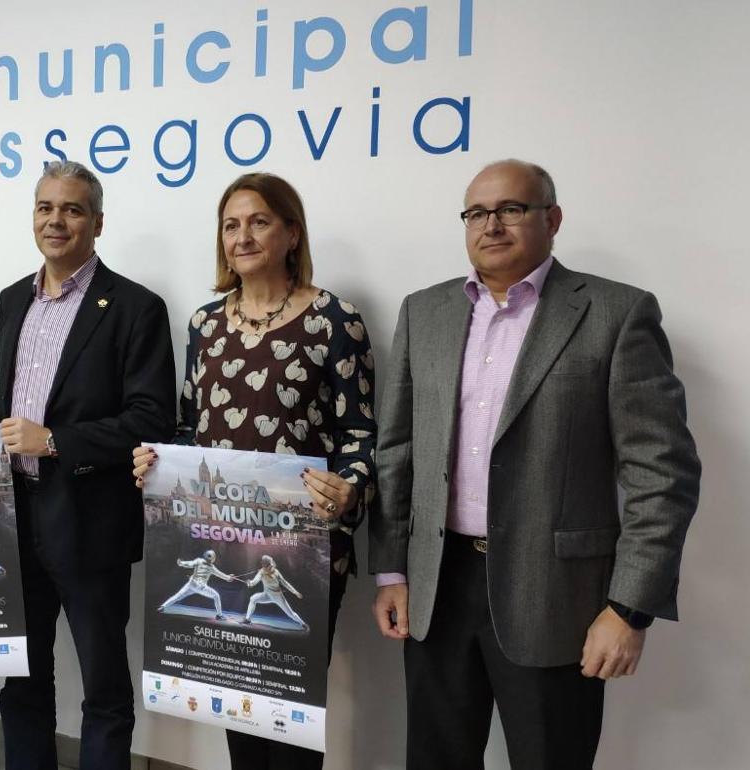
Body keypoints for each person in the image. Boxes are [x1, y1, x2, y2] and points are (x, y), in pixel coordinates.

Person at [368, 159, 702, 770]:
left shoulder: (615, 312)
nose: (491, 224)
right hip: (437, 588)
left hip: (558, 597)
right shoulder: (426, 312)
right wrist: (392, 569)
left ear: (553, 218)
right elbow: (398, 451)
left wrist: (629, 608)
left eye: (511, 209)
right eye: (476, 213)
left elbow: (663, 473)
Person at [132, 172, 376, 770]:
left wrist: (349, 491)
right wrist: (158, 459)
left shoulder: (335, 322)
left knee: (289, 715)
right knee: (236, 702)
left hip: (305, 545)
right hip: (217, 538)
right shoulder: (206, 325)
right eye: (231, 224)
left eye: (259, 221)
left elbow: (363, 436)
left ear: (291, 233)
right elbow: (191, 427)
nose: (242, 236)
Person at [0, 160, 176, 770]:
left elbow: (151, 419)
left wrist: (52, 439)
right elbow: (23, 404)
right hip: (12, 519)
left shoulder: (136, 307)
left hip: (89, 521)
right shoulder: (13, 301)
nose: (57, 220)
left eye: (73, 209)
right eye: (45, 208)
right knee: (22, 679)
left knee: (103, 688)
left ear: (97, 222)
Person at [158, 550, 236, 620]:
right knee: (216, 596)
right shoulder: (211, 567)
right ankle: (219, 615)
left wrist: (181, 563)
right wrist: (229, 578)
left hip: (191, 584)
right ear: (213, 558)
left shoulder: (199, 561)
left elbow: (190, 564)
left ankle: (163, 607)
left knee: (178, 596)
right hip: (200, 587)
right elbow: (221, 575)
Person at [243, 555, 306, 629]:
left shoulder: (276, 572)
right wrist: (249, 583)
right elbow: (254, 581)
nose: (262, 564)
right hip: (266, 595)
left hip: (278, 596)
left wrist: (295, 592)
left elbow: (285, 583)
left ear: (269, 564)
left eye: (264, 563)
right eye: (262, 563)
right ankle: (247, 619)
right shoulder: (261, 572)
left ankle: (303, 624)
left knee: (291, 614)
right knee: (253, 599)